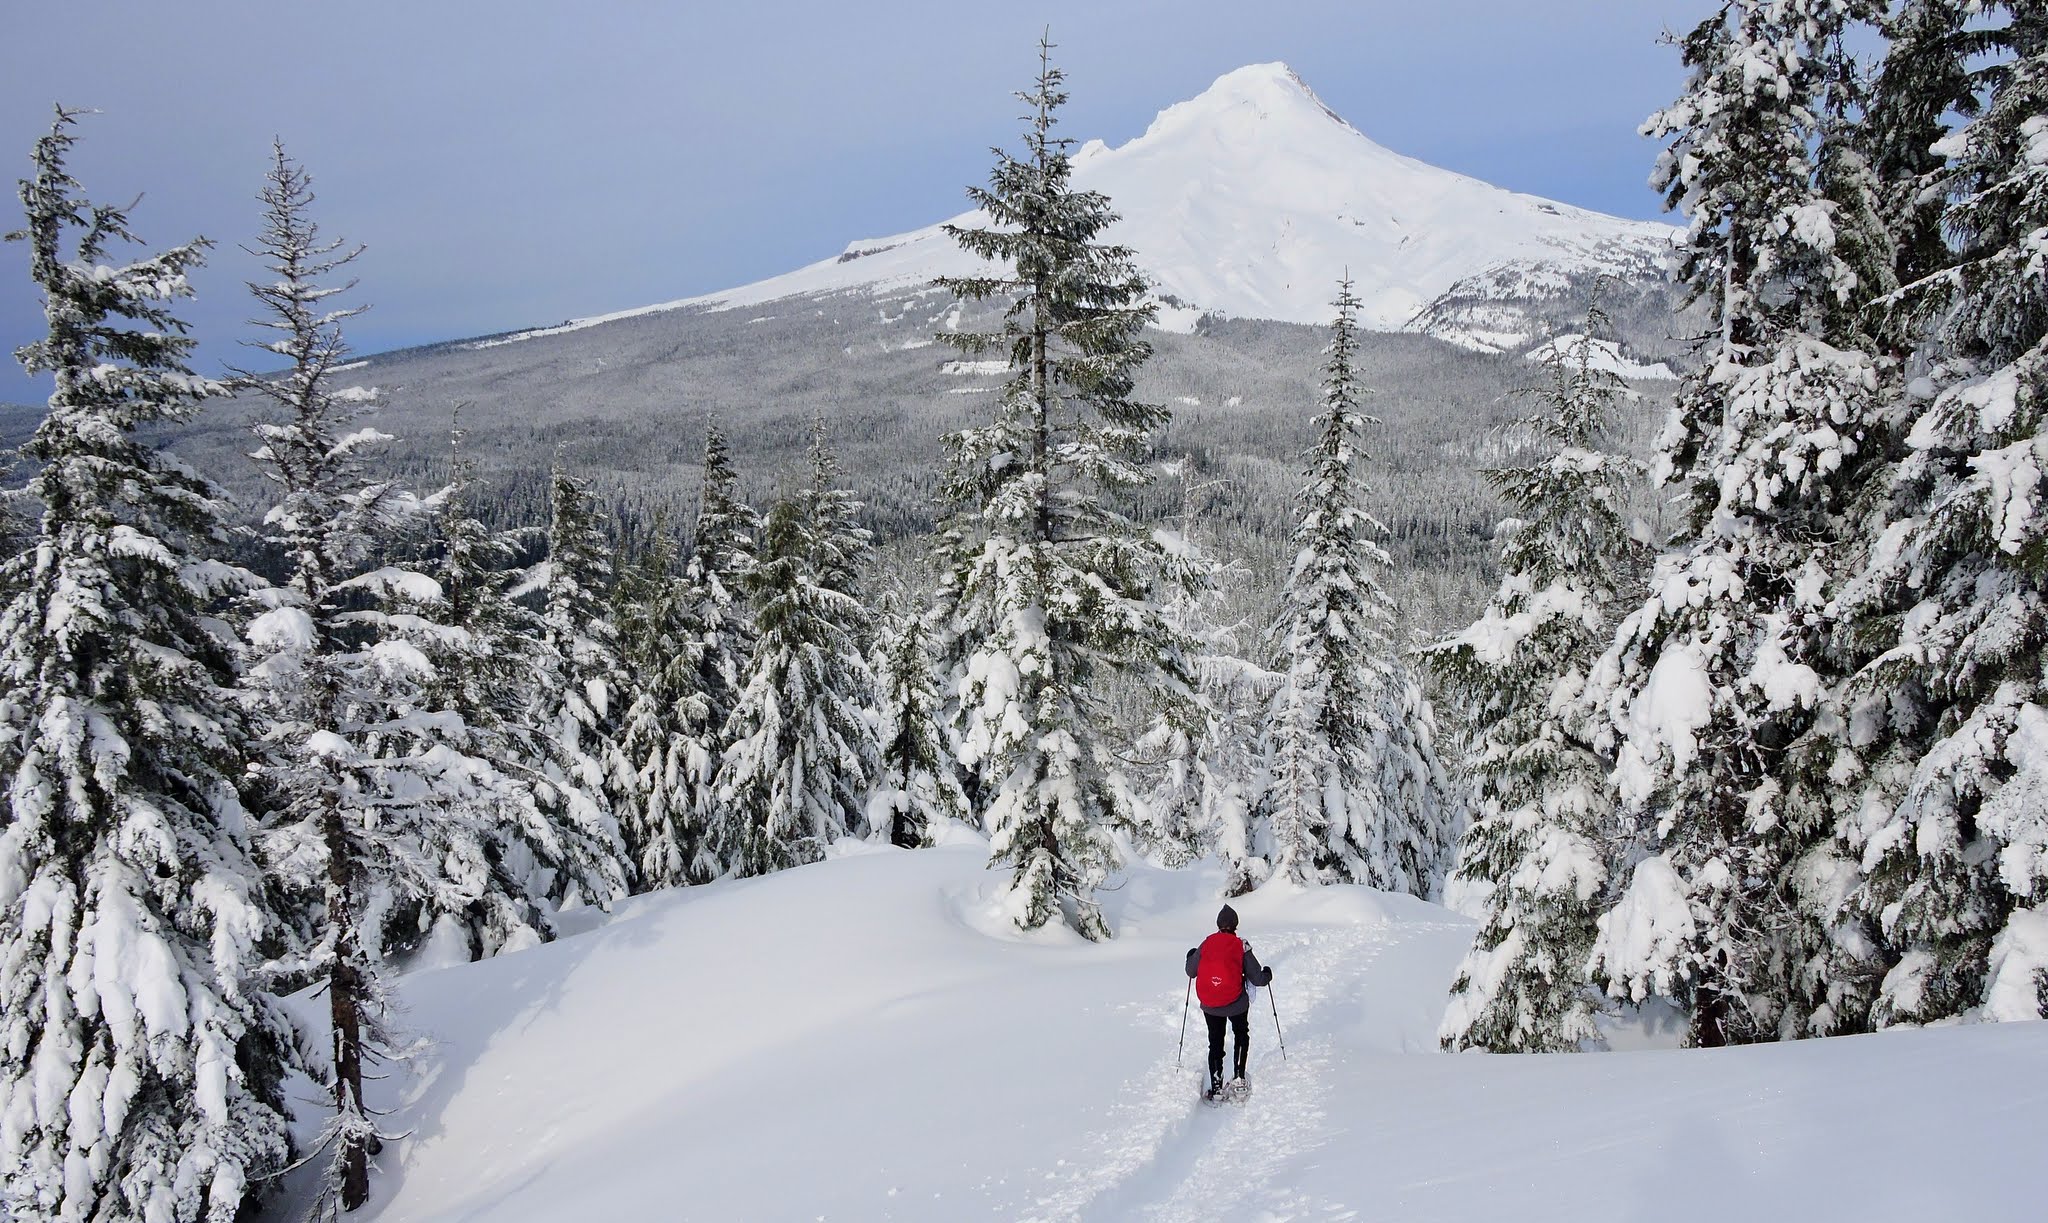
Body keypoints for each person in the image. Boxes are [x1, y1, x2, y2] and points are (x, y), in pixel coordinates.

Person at [1185, 903, 1273, 1101]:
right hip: (1236, 1002)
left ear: (1218, 925)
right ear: (1235, 925)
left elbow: (1191, 971)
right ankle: (1239, 1079)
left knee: (1215, 1040)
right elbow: (1258, 979)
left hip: (1210, 1003)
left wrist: (1190, 956)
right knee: (1241, 1033)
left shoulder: (1206, 943)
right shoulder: (1241, 945)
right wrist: (1267, 974)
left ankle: (1216, 1087)